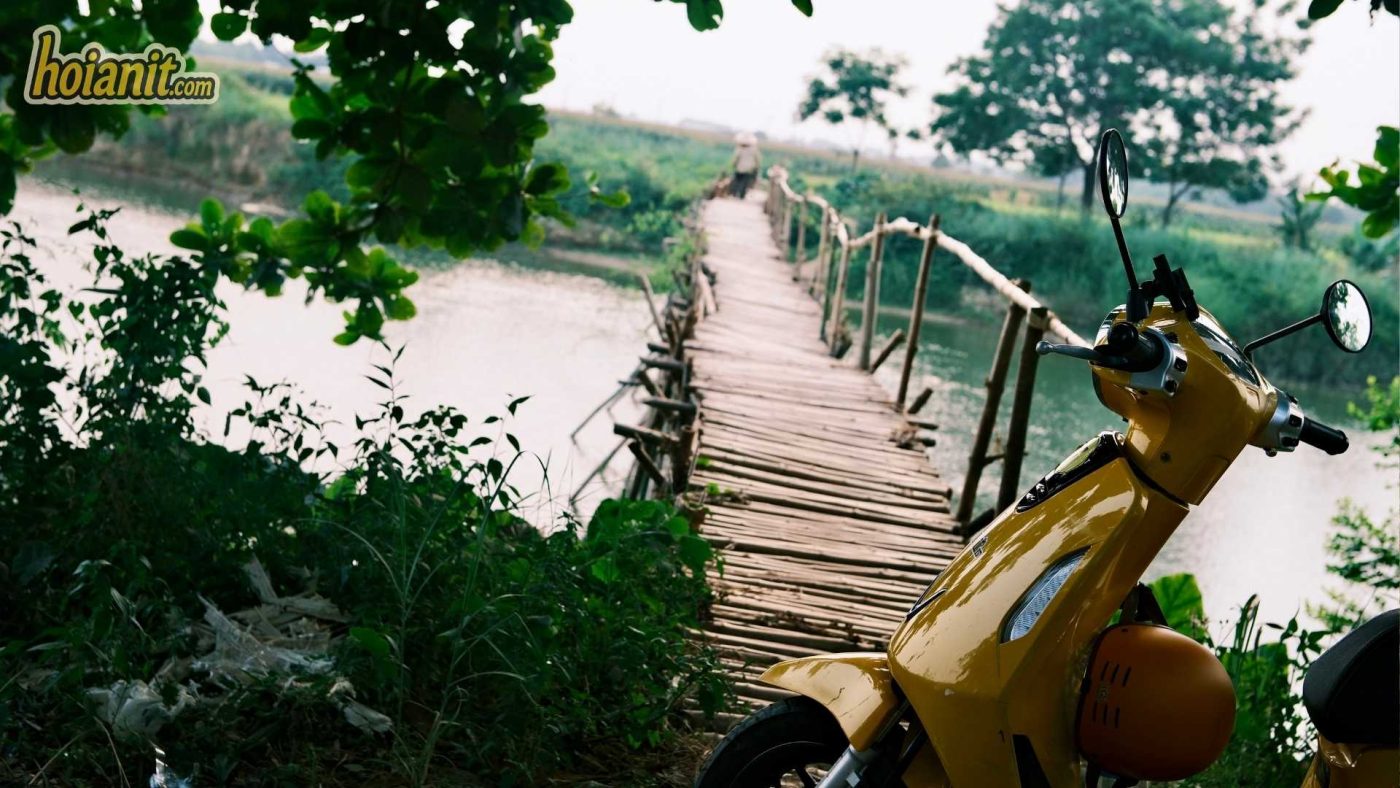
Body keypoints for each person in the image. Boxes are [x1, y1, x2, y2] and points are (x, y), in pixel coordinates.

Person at [729, 132, 761, 198]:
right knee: (745, 182)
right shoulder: (754, 150)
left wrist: (733, 164)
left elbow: (735, 159)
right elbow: (757, 160)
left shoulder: (739, 149)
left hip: (739, 168)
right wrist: (756, 167)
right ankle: (741, 195)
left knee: (737, 181)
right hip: (749, 169)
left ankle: (734, 193)